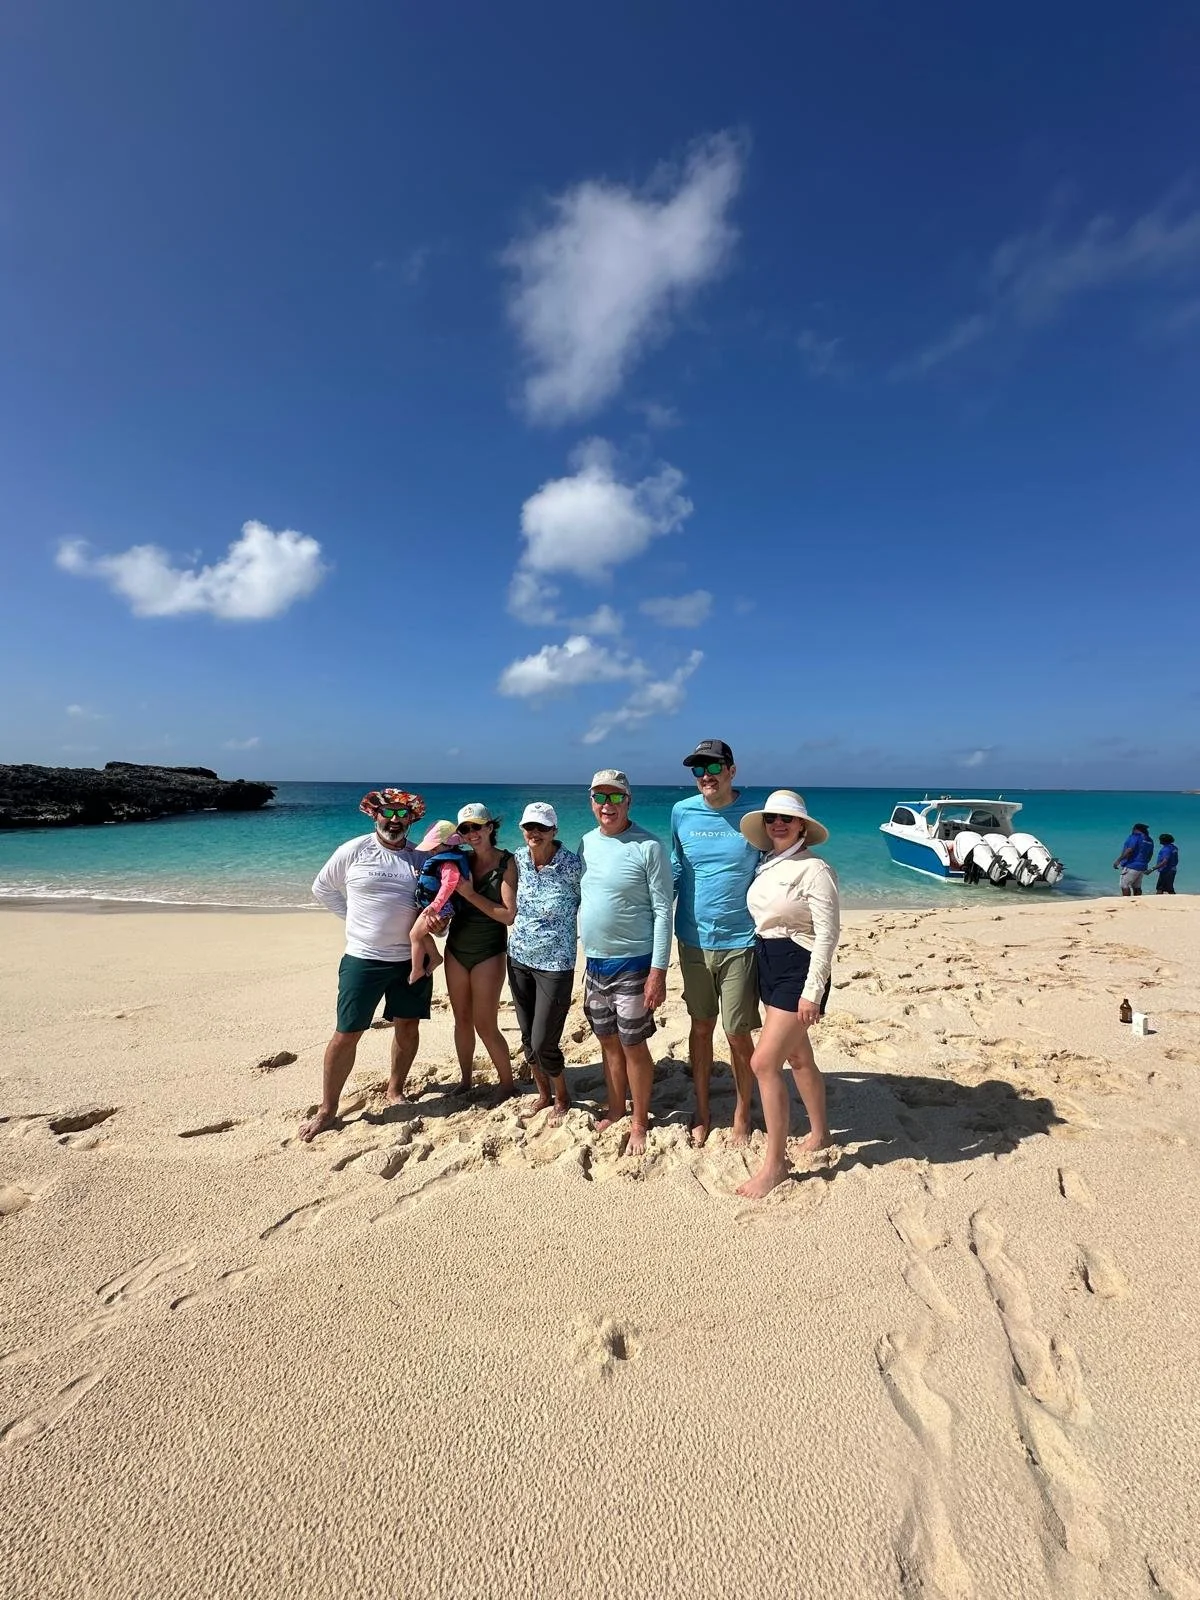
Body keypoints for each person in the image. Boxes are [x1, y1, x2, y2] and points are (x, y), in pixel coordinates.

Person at [301, 788, 434, 1141]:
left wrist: (437, 924)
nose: (393, 821)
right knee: (347, 1033)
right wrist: (352, 921)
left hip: (410, 960)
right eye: (387, 814)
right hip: (363, 959)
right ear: (374, 815)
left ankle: (395, 1089)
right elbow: (322, 887)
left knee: (407, 1027)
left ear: (411, 820)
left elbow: (433, 903)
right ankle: (328, 1109)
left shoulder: (419, 858)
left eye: (401, 816)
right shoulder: (354, 849)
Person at [735, 790, 839, 1200]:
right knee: (798, 1055)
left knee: (763, 1062)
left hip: (800, 965)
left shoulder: (815, 868)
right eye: (772, 818)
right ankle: (821, 1132)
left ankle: (775, 1165)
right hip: (768, 960)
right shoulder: (768, 864)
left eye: (786, 819)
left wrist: (813, 991)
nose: (778, 823)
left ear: (801, 826)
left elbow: (828, 935)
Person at [670, 738, 761, 1148]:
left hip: (741, 940)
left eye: (713, 768)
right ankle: (703, 1110)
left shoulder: (755, 817)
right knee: (701, 1027)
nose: (705, 776)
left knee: (738, 1033)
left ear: (732, 770)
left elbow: (777, 865)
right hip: (690, 939)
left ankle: (743, 1111)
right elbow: (675, 866)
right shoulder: (681, 812)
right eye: (698, 770)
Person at [578, 770, 672, 1155]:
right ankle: (617, 1107)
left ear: (628, 801)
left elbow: (664, 910)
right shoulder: (585, 843)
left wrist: (658, 971)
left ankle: (639, 1120)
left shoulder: (648, 846)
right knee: (607, 1042)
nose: (607, 805)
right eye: (600, 797)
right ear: (592, 802)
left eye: (615, 798)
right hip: (595, 963)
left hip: (634, 962)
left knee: (633, 1045)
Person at [507, 802, 583, 1125]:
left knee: (543, 1040)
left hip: (556, 963)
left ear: (555, 831)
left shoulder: (572, 865)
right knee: (527, 1038)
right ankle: (543, 1095)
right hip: (519, 958)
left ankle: (562, 1095)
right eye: (528, 827)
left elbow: (594, 900)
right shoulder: (517, 860)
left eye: (541, 827)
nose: (534, 833)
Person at [444, 802, 518, 1097]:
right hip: (456, 948)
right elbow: (444, 901)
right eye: (465, 829)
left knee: (485, 1023)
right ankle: (465, 1081)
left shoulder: (507, 863)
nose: (472, 833)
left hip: (489, 950)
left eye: (477, 826)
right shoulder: (458, 861)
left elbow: (508, 915)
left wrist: (470, 893)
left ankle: (507, 1083)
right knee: (461, 1020)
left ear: (490, 827)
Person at [408, 821, 472, 981]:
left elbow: (449, 885)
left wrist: (435, 906)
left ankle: (416, 970)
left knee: (414, 935)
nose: (432, 849)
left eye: (435, 846)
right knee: (420, 934)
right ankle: (435, 957)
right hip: (436, 907)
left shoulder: (449, 863)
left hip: (440, 908)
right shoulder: (441, 859)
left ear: (450, 845)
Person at [1113, 823, 1154, 897]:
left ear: (1135, 829)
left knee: (1124, 885)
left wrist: (1118, 860)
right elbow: (1150, 854)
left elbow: (1130, 849)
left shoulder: (1135, 837)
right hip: (1142, 866)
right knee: (1137, 886)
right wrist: (1145, 862)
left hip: (1131, 865)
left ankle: (1126, 902)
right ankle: (1138, 901)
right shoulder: (1149, 840)